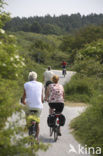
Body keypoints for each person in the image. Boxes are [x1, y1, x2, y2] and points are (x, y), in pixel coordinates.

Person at [22, 71, 43, 141]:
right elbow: (41, 98)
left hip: (29, 106)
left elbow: (24, 97)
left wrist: (23, 102)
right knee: (37, 122)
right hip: (38, 107)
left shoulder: (26, 84)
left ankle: (28, 125)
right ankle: (36, 137)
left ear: (29, 78)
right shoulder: (41, 84)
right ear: (36, 78)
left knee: (27, 116)